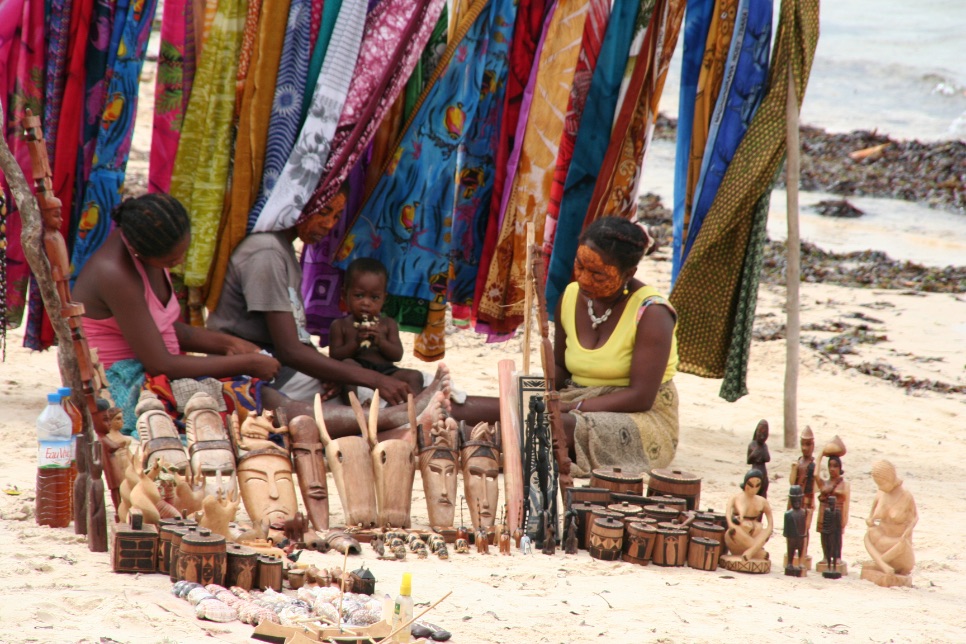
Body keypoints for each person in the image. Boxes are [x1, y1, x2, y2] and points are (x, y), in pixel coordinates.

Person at [73, 194, 282, 432]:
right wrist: (246, 363)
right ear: (139, 251)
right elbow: (161, 364)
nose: (180, 260)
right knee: (252, 402)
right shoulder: (114, 273)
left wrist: (229, 345)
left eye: (183, 252)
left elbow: (163, 329)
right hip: (123, 388)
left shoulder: (148, 253)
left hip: (156, 372)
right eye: (172, 259)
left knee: (261, 399)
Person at [206, 187, 413, 407]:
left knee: (405, 392)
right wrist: (377, 380)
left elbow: (298, 341)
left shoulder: (281, 251)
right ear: (299, 204)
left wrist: (330, 374)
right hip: (256, 376)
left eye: (336, 216)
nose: (329, 224)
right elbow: (290, 351)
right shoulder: (266, 254)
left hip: (285, 371)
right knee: (378, 402)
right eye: (323, 212)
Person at [553, 216, 679, 476]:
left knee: (555, 425)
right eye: (579, 266)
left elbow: (640, 397)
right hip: (575, 401)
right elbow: (560, 368)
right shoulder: (570, 296)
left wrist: (572, 408)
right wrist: (531, 391)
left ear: (629, 273)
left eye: (598, 274)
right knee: (510, 408)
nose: (584, 280)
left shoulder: (652, 313)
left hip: (639, 417)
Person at [329, 257, 425, 396]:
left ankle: (412, 411)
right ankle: (354, 407)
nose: (366, 303)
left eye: (374, 298)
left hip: (387, 372)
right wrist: (356, 343)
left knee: (415, 376)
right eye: (359, 295)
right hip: (358, 372)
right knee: (347, 366)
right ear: (345, 295)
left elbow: (397, 355)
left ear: (383, 299)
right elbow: (335, 356)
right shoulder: (340, 325)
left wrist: (381, 341)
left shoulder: (388, 324)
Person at [864, 460, 918, 577]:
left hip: (897, 545)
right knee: (867, 536)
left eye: (882, 484)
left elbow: (915, 518)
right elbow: (871, 515)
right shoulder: (880, 493)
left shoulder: (906, 496)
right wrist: (870, 520)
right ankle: (883, 564)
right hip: (881, 540)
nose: (880, 488)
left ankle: (879, 563)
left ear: (891, 479)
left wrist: (908, 531)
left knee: (901, 544)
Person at [724, 469, 773, 561]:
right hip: (738, 534)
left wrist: (767, 531)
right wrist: (731, 524)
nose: (754, 488)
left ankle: (751, 552)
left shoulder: (762, 501)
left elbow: (770, 523)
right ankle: (757, 551)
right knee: (734, 531)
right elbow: (727, 514)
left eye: (757, 486)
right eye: (750, 485)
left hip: (755, 532)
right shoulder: (735, 497)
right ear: (745, 484)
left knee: (766, 531)